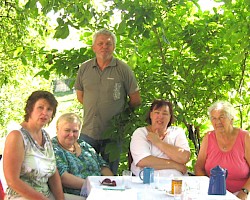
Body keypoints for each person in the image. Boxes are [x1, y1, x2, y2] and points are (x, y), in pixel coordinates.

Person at [74, 28, 141, 174]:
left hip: (113, 134)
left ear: (114, 47)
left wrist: (120, 118)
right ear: (93, 47)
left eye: (108, 44)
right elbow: (80, 96)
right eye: (100, 43)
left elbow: (135, 99)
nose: (104, 47)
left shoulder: (123, 69)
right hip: (88, 132)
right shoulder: (84, 68)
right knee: (85, 172)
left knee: (110, 175)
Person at [2, 90, 65, 200]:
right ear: (30, 109)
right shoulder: (17, 136)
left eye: (49, 109)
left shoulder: (45, 136)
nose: (45, 113)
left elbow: (53, 173)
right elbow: (12, 181)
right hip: (21, 196)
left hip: (46, 195)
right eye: (40, 107)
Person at [195, 101, 250, 200]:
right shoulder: (208, 137)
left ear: (231, 119)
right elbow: (199, 167)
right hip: (213, 193)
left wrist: (244, 191)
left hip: (240, 193)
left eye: (221, 117)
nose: (217, 122)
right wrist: (208, 186)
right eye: (214, 118)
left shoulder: (245, 137)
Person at [52, 113, 113, 198]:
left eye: (75, 131)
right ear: (57, 129)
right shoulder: (54, 148)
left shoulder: (83, 144)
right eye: (67, 130)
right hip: (78, 195)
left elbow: (102, 166)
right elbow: (63, 177)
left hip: (100, 190)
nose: (71, 135)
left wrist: (113, 183)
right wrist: (93, 186)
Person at [130, 99, 190, 177]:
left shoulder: (177, 132)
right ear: (151, 115)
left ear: (170, 117)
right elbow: (142, 161)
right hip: (147, 181)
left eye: (165, 114)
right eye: (157, 113)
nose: (160, 116)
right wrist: (176, 165)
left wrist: (158, 142)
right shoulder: (141, 133)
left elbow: (184, 157)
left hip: (176, 181)